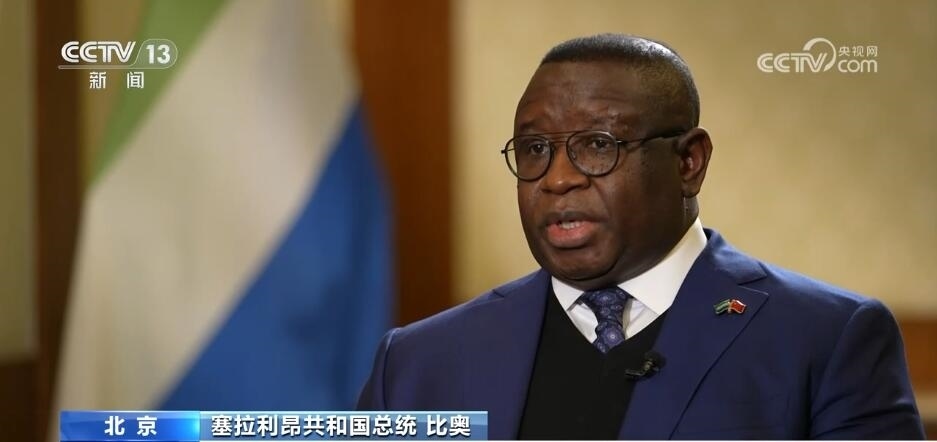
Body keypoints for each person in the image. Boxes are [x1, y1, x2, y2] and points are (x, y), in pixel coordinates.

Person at [356, 33, 925, 439]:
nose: (557, 178)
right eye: (535, 149)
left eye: (598, 145)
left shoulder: (826, 340)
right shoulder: (418, 363)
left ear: (689, 162)